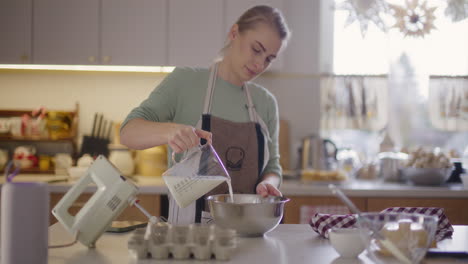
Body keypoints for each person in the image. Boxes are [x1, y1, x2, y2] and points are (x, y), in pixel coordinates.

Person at [120, 5, 290, 224]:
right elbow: (127, 132)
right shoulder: (184, 82)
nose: (260, 64)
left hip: (250, 231)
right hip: (190, 239)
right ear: (234, 33)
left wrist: (269, 184)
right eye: (256, 49)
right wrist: (170, 131)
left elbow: (273, 167)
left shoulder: (265, 102)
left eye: (269, 58)